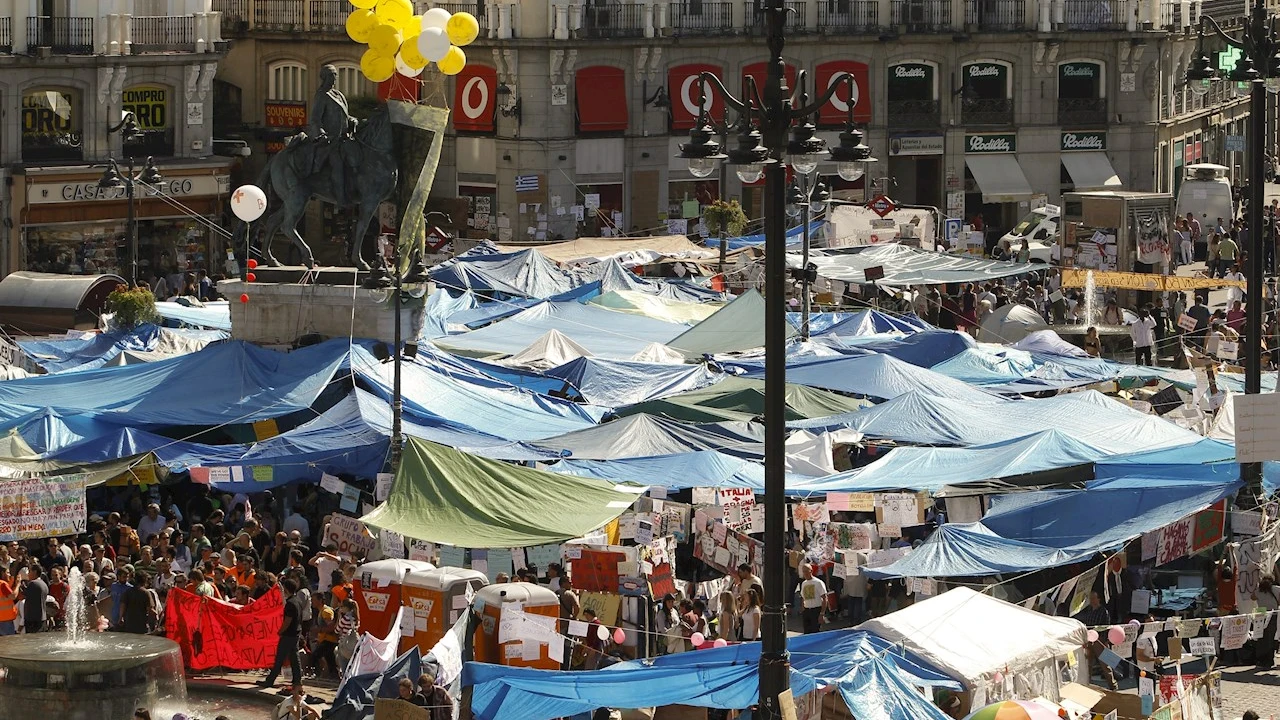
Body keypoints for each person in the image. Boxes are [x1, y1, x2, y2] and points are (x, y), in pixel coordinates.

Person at [304, 64, 354, 197]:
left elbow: (345, 115)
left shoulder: (339, 95)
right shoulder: (321, 96)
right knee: (337, 165)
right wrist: (321, 134)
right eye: (331, 75)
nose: (334, 78)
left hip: (346, 138)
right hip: (331, 141)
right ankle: (340, 196)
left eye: (335, 74)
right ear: (324, 77)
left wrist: (352, 120)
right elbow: (315, 119)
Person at [259, 578, 304, 691]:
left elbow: (288, 620)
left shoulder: (290, 604)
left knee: (279, 658)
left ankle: (270, 680)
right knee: (294, 658)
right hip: (296, 633)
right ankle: (297, 680)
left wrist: (280, 631)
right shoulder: (297, 601)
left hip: (288, 635)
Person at [1074, 591, 1117, 690]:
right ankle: (1087, 684)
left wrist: (1105, 642)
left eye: (1094, 598)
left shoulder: (1103, 611)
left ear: (1098, 599)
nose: (1092, 600)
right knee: (1087, 664)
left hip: (1100, 641)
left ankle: (1113, 685)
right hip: (1089, 640)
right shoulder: (1089, 610)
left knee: (1105, 665)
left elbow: (1106, 627)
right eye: (1091, 598)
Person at [1253, 575, 1279, 669]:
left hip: (1260, 613)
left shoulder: (1259, 590)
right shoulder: (1277, 589)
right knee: (1270, 638)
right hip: (1273, 614)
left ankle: (1261, 660)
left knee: (1260, 637)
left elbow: (1252, 597)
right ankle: (1269, 660)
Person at [798, 564, 827, 634]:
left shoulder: (818, 582)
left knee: (815, 631)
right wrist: (803, 608)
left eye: (806, 571)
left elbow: (825, 598)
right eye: (803, 572)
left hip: (816, 610)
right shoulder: (804, 583)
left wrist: (822, 613)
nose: (805, 573)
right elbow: (802, 597)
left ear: (811, 571)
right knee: (807, 632)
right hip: (807, 610)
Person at [21, 565, 48, 634]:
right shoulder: (44, 584)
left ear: (35, 572)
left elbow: (24, 594)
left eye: (30, 571)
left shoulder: (33, 583)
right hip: (42, 618)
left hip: (33, 619)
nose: (28, 574)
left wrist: (19, 585)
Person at [0, 566, 17, 635]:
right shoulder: (2, 584)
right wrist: (18, 584)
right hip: (5, 620)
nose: (9, 575)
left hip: (3, 620)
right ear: (2, 573)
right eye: (8, 572)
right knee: (10, 642)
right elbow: (13, 596)